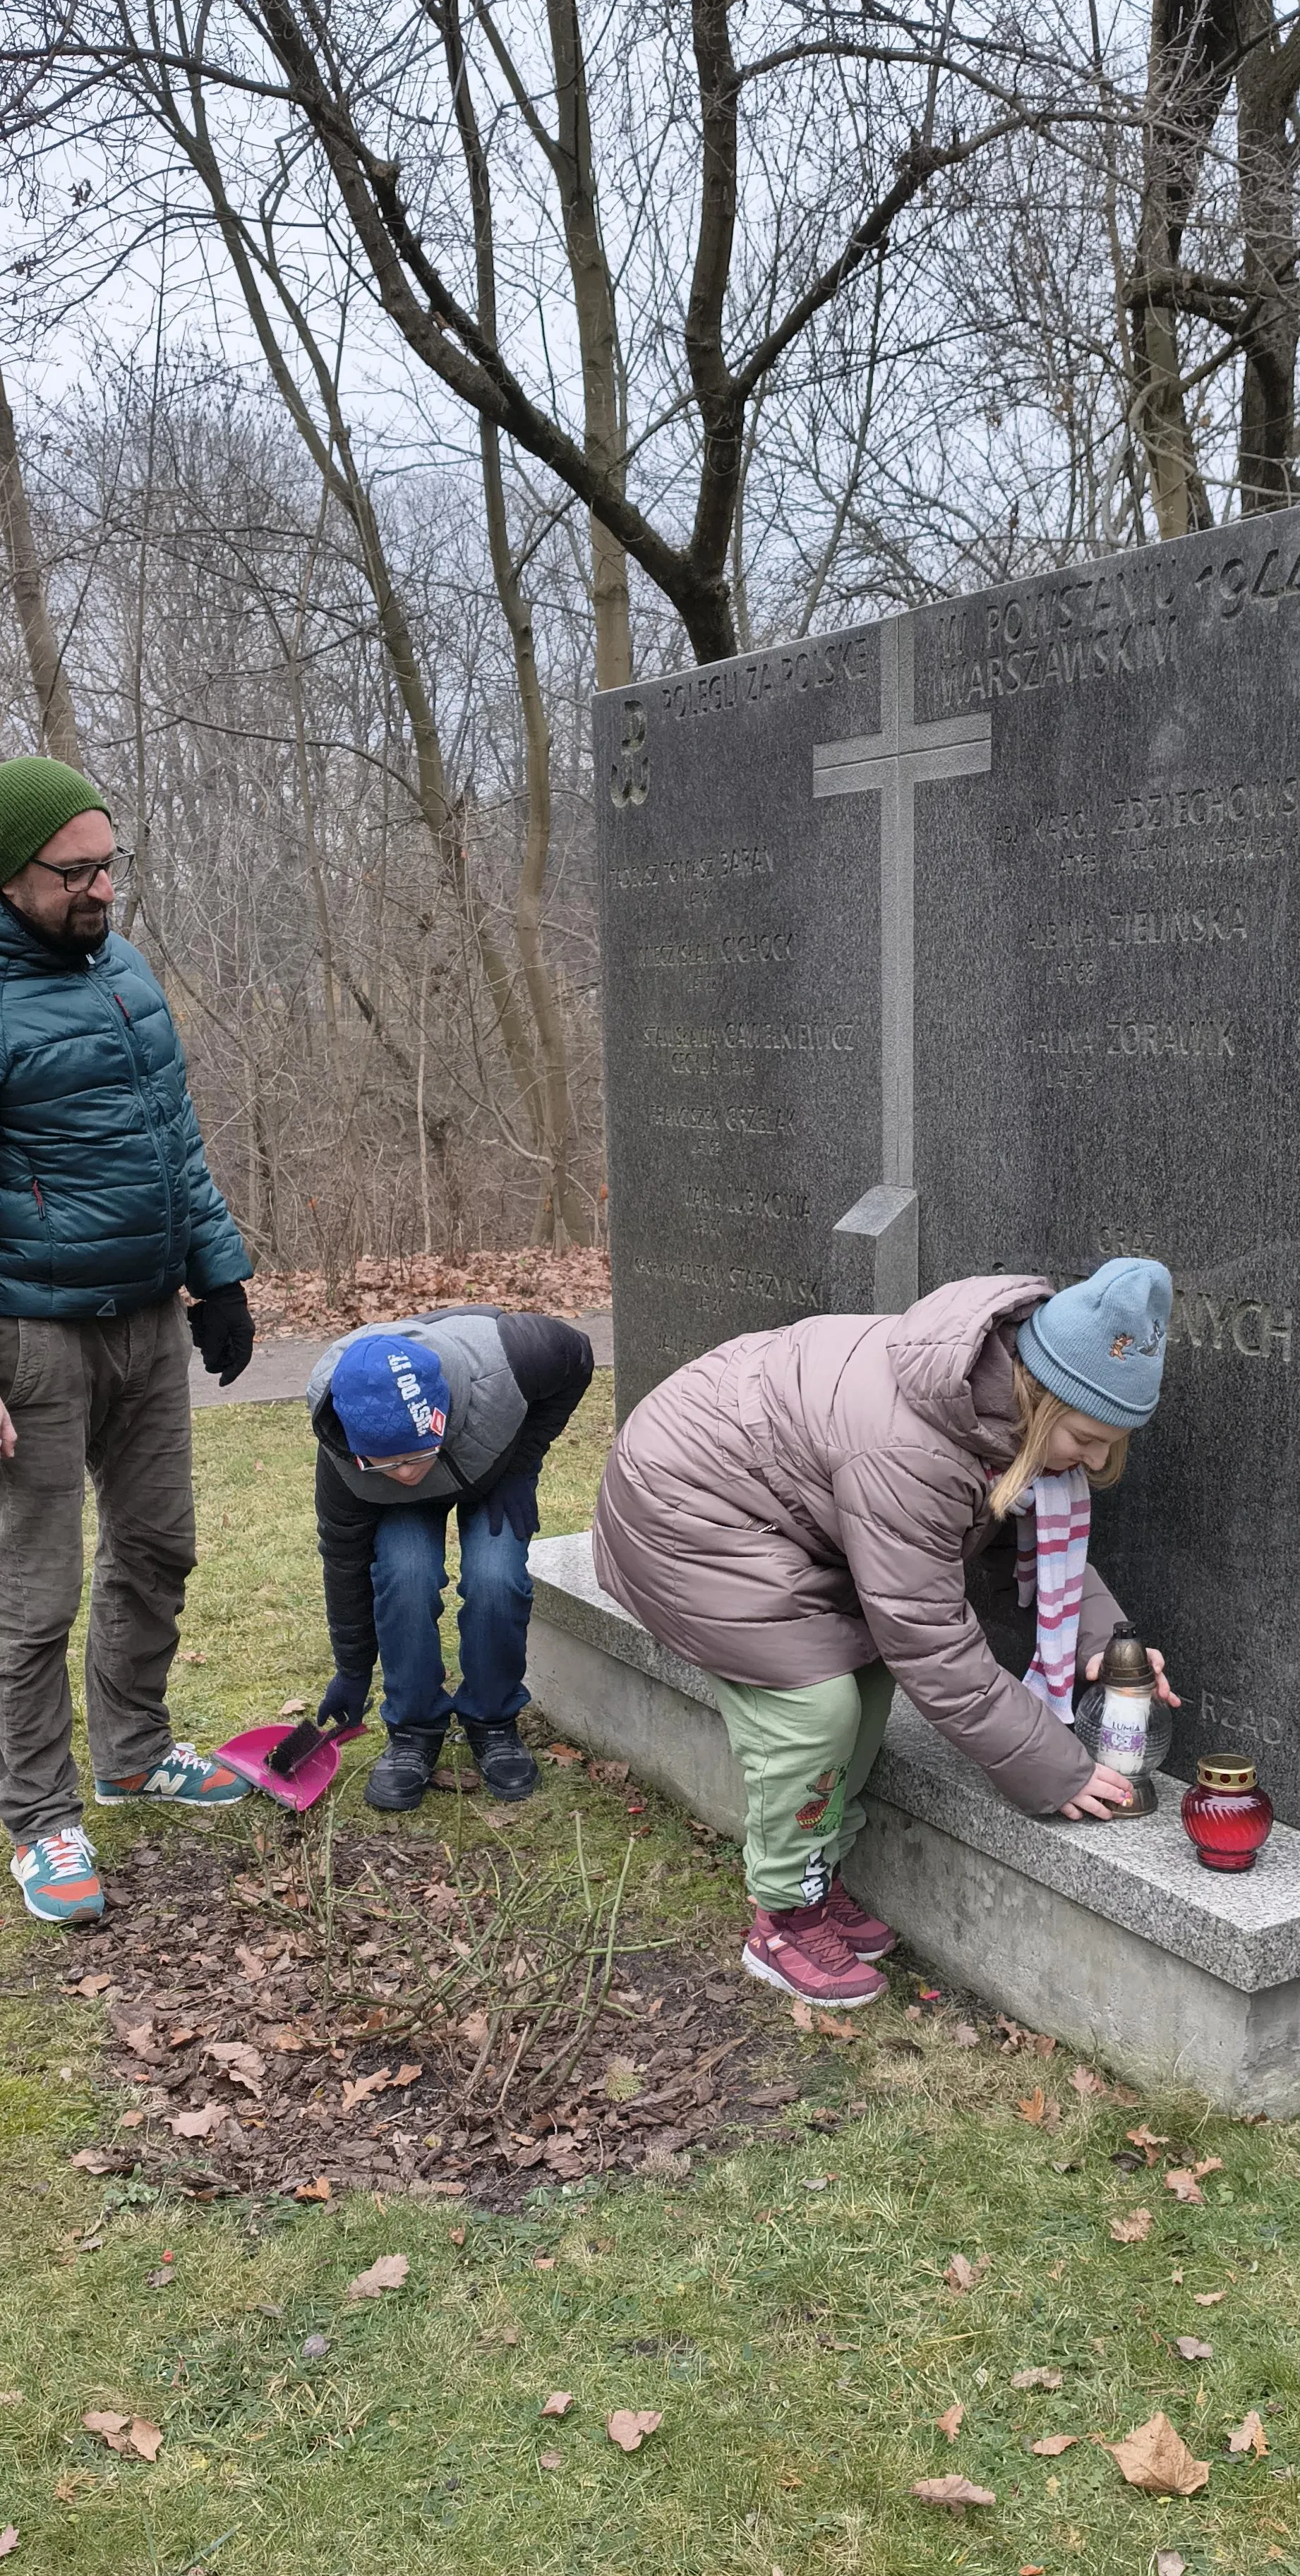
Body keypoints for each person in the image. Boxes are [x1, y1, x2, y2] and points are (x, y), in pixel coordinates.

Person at [593, 1259, 1179, 2009]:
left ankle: (818, 1873)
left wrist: (1103, 1644)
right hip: (686, 1514)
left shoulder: (993, 1407)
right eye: (1087, 1439)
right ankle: (784, 1918)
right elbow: (929, 1641)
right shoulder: (915, 1450)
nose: (1094, 1464)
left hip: (776, 1517)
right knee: (814, 1713)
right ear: (1039, 1398)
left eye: (1111, 1445)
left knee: (870, 1684)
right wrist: (1055, 1769)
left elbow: (1028, 1543)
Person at [0, 756, 256, 1928]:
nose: (103, 888)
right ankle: (40, 1817)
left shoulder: (124, 970)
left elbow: (172, 1137)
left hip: (147, 1317)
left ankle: (136, 1752)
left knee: (158, 1544)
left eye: (111, 864)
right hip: (31, 1335)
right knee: (33, 1593)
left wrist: (219, 1273)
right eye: (75, 872)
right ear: (9, 878)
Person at [309, 1307, 593, 1806]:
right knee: (406, 1574)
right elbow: (344, 1563)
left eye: (414, 1456)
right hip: (399, 1504)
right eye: (386, 1461)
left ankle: (493, 1720)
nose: (404, 1474)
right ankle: (413, 1730)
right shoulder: (346, 1465)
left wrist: (521, 1465)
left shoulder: (514, 1359)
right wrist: (353, 1670)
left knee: (496, 1576)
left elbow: (579, 1359)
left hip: (489, 1462)